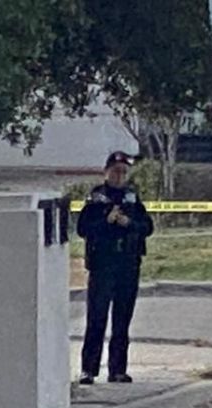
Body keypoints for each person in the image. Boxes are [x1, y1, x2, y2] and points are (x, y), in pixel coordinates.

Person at [77, 151, 154, 385]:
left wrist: (129, 223)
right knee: (97, 319)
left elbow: (147, 227)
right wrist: (106, 221)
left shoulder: (132, 199)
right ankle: (88, 370)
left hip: (128, 265)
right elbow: (83, 229)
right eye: (115, 170)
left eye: (123, 172)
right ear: (106, 172)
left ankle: (118, 370)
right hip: (103, 266)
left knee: (122, 321)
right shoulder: (96, 199)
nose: (119, 175)